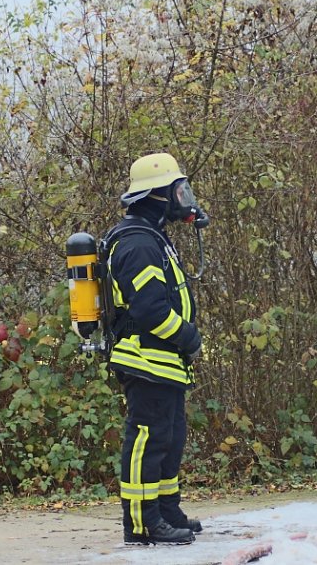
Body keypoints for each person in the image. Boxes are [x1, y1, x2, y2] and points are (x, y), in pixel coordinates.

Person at [105, 152, 204, 546]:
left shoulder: (152, 239)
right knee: (147, 437)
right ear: (156, 196)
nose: (184, 198)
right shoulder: (139, 245)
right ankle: (142, 522)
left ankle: (166, 511)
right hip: (145, 359)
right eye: (177, 190)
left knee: (170, 437)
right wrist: (188, 337)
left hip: (163, 362)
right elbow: (150, 311)